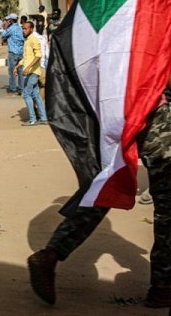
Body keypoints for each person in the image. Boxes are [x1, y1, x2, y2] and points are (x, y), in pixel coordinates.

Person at [28, 75, 171, 309]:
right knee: (167, 205)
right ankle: (163, 287)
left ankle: (50, 255)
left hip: (117, 110)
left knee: (105, 188)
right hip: (155, 114)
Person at [14, 21, 47, 126]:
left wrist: (28, 67)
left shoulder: (34, 40)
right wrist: (17, 66)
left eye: (26, 29)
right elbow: (26, 57)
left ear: (31, 29)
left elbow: (38, 55)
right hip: (30, 71)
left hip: (33, 72)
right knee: (36, 94)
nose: (24, 31)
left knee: (27, 94)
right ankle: (43, 117)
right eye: (23, 29)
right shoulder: (27, 40)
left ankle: (33, 119)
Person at [2, 13, 25, 96]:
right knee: (20, 71)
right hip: (20, 52)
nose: (7, 21)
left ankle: (13, 89)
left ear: (11, 21)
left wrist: (6, 26)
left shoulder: (11, 29)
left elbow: (3, 35)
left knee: (12, 72)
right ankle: (21, 89)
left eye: (8, 20)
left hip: (13, 53)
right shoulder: (20, 28)